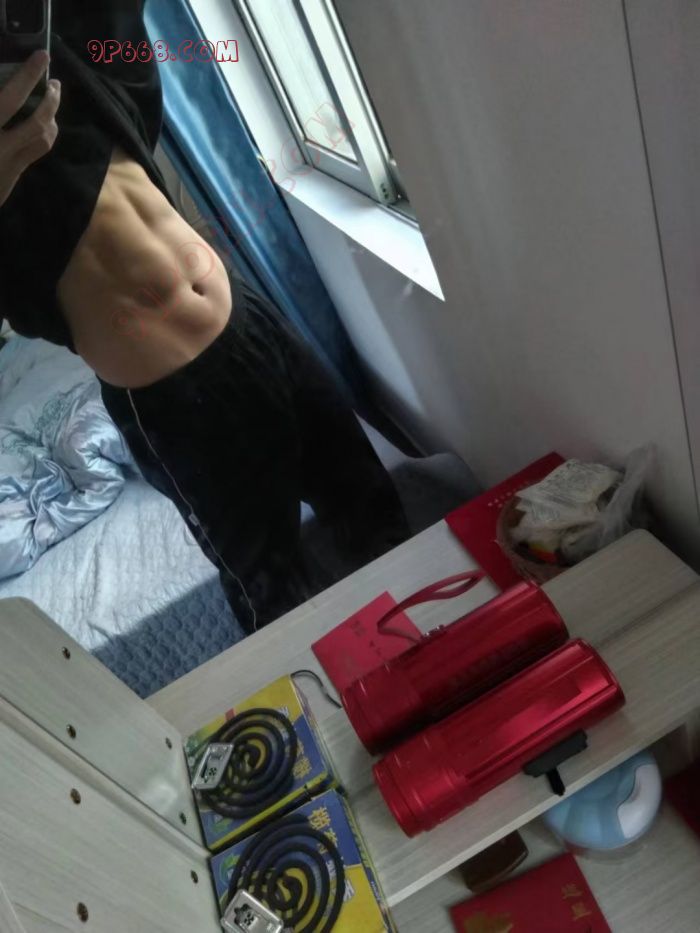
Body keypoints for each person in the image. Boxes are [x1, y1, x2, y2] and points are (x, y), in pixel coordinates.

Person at [0, 3, 409, 632]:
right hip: (172, 393)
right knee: (275, 592)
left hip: (252, 320)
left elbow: (118, 39)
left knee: (369, 505)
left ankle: (441, 646)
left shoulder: (57, 52)